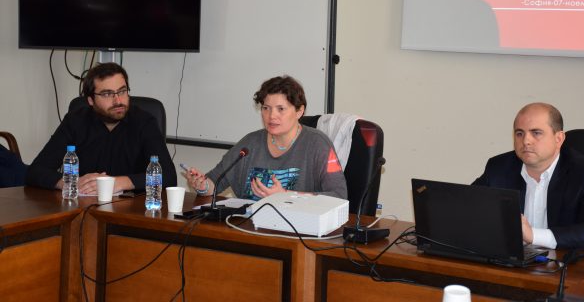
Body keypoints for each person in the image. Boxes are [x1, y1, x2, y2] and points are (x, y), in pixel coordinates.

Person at [184, 75, 347, 201]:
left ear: (299, 111)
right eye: (266, 108)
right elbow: (214, 182)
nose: (271, 116)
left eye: (280, 109)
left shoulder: (318, 144)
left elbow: (339, 196)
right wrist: (202, 185)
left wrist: (286, 196)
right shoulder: (250, 143)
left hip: (296, 230)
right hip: (248, 226)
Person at [26, 62, 177, 194]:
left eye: (122, 91)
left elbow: (169, 176)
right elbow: (35, 171)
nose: (118, 101)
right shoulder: (75, 121)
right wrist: (70, 183)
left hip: (129, 209)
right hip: (83, 206)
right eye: (107, 94)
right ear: (91, 100)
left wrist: (119, 182)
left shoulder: (144, 122)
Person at [473, 102, 584, 250]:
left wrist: (533, 235)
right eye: (519, 133)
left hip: (563, 260)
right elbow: (469, 207)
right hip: (511, 259)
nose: (526, 141)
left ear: (559, 139)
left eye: (536, 133)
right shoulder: (499, 167)